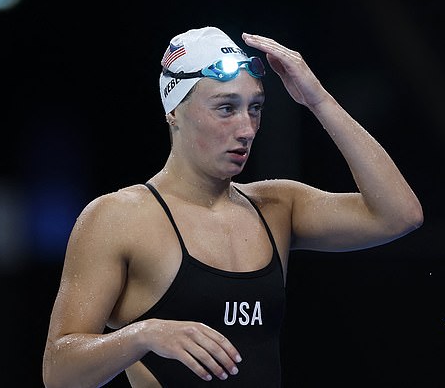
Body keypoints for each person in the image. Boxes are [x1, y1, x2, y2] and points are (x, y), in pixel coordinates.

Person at [42, 26, 423, 387]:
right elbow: (59, 372)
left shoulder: (276, 207)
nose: (246, 128)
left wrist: (317, 99)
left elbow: (399, 215)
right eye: (226, 108)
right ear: (174, 111)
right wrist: (143, 335)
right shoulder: (118, 218)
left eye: (254, 108)